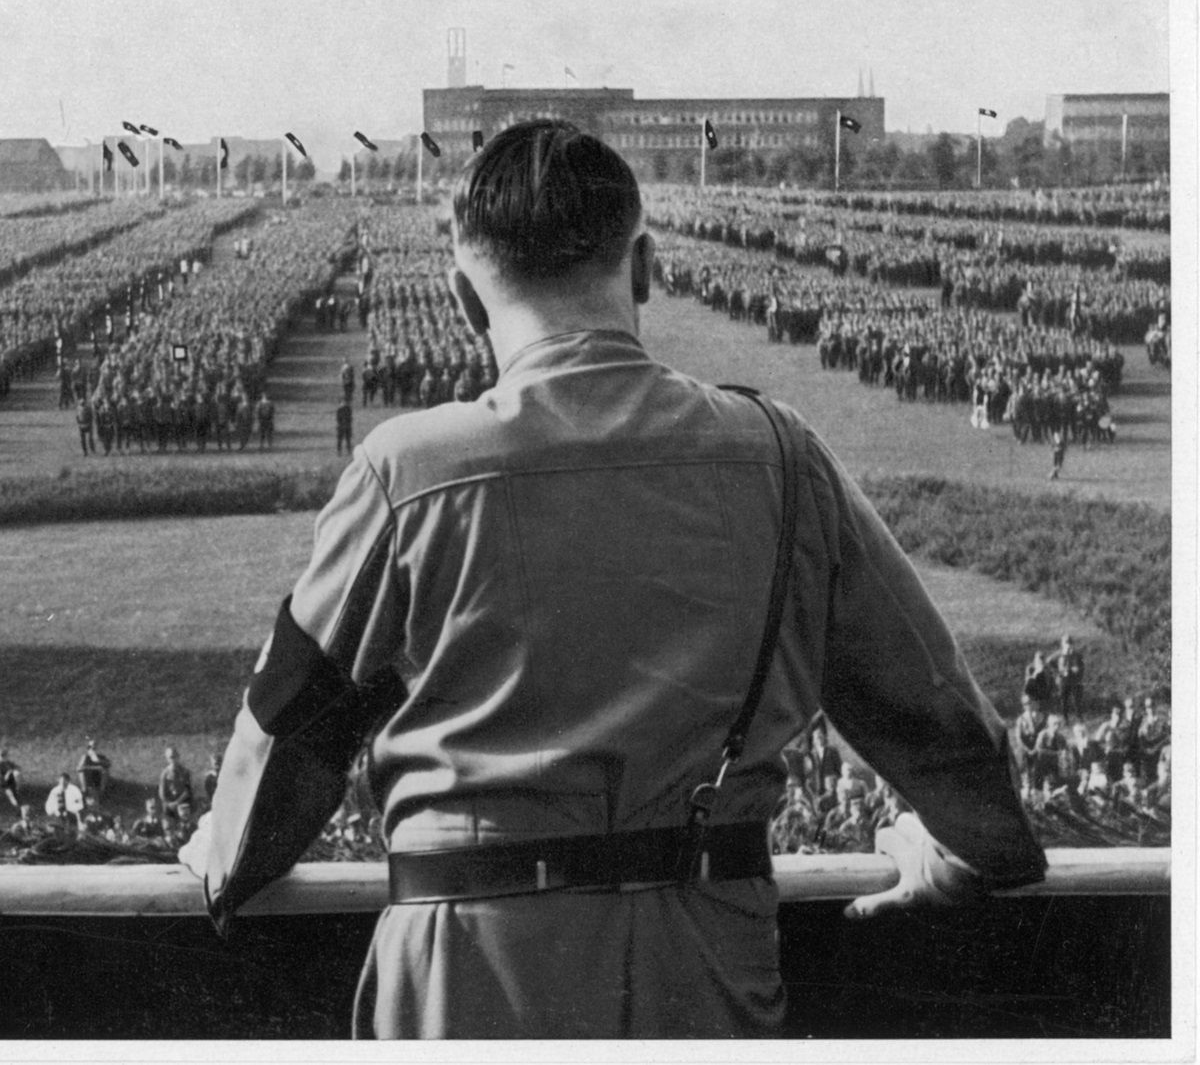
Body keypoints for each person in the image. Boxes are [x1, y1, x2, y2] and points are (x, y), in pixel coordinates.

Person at [180, 121, 1046, 1039]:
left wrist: (226, 856)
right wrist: (965, 853)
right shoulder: (781, 456)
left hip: (467, 970)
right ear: (644, 266)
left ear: (465, 301)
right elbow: (935, 717)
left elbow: (291, 729)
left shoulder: (407, 470)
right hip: (707, 964)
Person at [1053, 635, 1085, 720]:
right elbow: (1049, 662)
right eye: (1066, 643)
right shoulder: (1059, 654)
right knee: (1064, 700)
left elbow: (1082, 666)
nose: (1068, 645)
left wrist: (1078, 671)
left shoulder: (1077, 655)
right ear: (1062, 644)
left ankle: (1079, 718)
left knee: (1076, 700)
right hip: (1063, 681)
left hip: (1074, 680)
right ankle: (1065, 719)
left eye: (1070, 643)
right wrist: (1059, 672)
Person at [158, 747, 193, 823]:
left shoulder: (185, 772)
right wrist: (169, 803)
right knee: (168, 818)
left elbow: (187, 790)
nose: (173, 759)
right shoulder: (165, 774)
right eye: (171, 757)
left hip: (182, 801)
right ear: (167, 759)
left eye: (175, 756)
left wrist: (177, 802)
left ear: (178, 757)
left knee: (185, 817)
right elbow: (162, 794)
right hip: (170, 803)